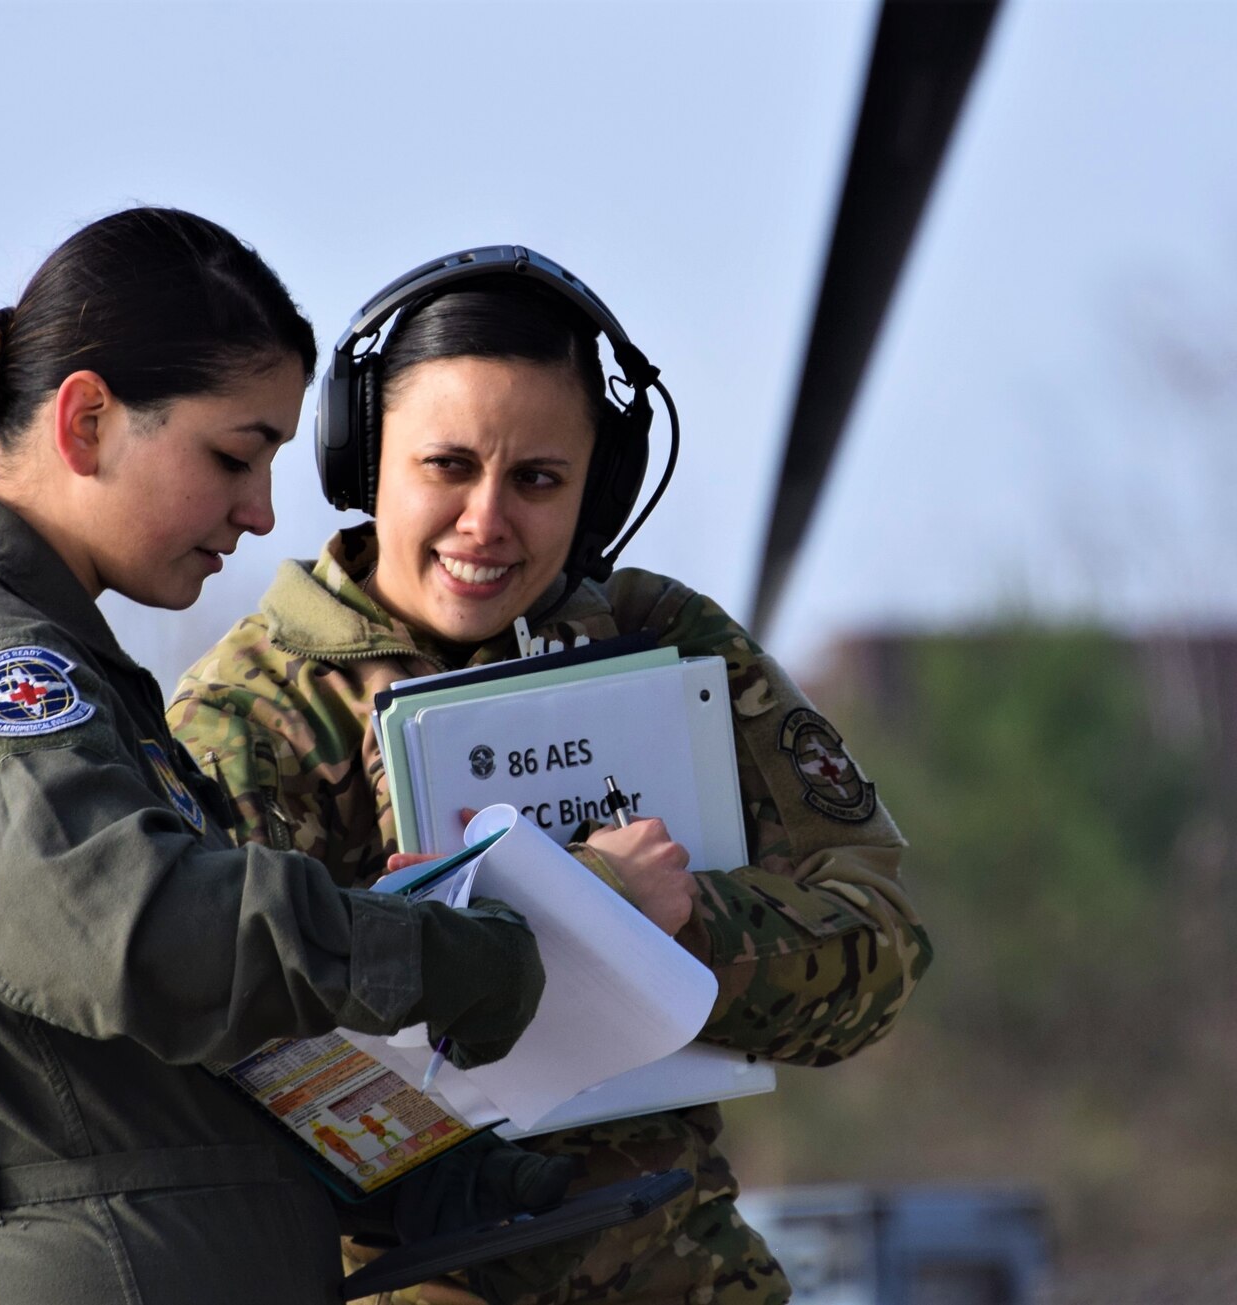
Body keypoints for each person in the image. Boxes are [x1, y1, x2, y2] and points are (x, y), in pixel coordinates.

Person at [0, 210, 581, 1305]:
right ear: (85, 420)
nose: (261, 513)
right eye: (232, 455)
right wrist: (429, 954)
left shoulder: (60, 659)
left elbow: (126, 1071)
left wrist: (402, 1173)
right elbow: (130, 933)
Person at [168, 248, 935, 1305]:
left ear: (598, 485)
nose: (487, 521)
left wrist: (684, 928)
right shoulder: (247, 717)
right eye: (447, 467)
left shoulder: (662, 641)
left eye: (537, 480)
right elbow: (235, 1071)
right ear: (363, 459)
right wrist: (568, 922)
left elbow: (879, 949)